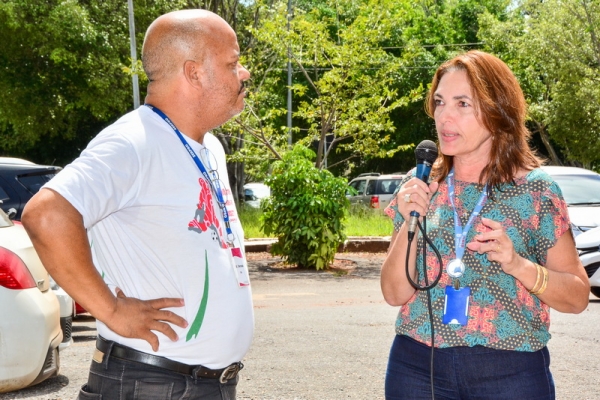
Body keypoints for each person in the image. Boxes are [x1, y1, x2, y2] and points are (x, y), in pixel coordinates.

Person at [22, 9, 253, 399]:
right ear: (194, 73)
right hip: (152, 385)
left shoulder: (208, 146)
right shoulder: (134, 141)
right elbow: (46, 214)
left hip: (201, 385)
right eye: (232, 63)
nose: (244, 73)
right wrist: (111, 310)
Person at [380, 50, 590, 400]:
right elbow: (393, 294)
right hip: (416, 369)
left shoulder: (536, 191)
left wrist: (518, 265)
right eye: (440, 102)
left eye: (462, 104)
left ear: (497, 112)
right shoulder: (419, 183)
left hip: (511, 374)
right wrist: (410, 222)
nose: (445, 116)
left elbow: (578, 296)